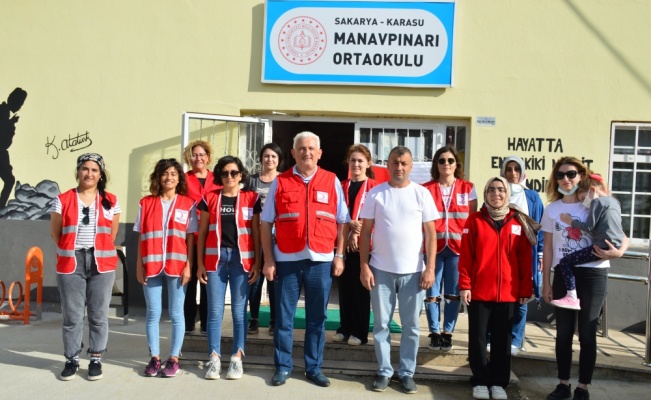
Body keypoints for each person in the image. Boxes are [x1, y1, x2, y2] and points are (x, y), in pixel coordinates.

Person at [260, 131, 349, 388]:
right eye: (301, 148)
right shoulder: (281, 181)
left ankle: (313, 367)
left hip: (320, 260)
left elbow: (342, 221)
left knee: (316, 319)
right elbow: (266, 224)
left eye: (311, 148)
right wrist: (269, 259)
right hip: (287, 260)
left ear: (319, 153)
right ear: (293, 153)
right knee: (284, 318)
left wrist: (339, 255)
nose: (306, 152)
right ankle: (283, 366)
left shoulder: (331, 181)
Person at [542, 157, 628, 400]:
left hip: (593, 272)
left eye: (571, 174)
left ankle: (583, 388)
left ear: (581, 176)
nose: (566, 179)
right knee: (563, 333)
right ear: (555, 179)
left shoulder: (592, 203)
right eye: (560, 175)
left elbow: (621, 233)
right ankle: (563, 384)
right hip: (563, 274)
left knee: (588, 332)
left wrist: (619, 252)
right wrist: (546, 281)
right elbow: (548, 248)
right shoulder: (552, 209)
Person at [359, 145, 439, 394]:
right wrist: (364, 265)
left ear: (411, 166)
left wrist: (430, 268)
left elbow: (431, 234)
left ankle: (406, 372)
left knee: (411, 326)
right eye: (395, 162)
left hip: (414, 272)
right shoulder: (376, 193)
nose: (399, 167)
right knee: (381, 324)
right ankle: (384, 371)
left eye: (404, 163)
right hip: (380, 270)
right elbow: (365, 232)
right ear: (388, 164)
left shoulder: (422, 194)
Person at [459, 176, 536, 400]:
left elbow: (524, 259)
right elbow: (466, 257)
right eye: (491, 190)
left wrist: (525, 289)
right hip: (480, 292)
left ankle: (499, 382)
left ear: (507, 194)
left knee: (503, 341)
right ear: (486, 194)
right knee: (478, 338)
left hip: (509, 294)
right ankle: (481, 379)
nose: (496, 194)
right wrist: (465, 285)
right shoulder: (474, 220)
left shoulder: (518, 221)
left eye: (501, 190)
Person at [50, 153, 121, 381]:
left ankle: (96, 359)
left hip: (102, 263)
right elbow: (56, 233)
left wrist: (97, 249)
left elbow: (112, 234)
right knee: (72, 316)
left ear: (100, 175)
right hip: (72, 262)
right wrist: (74, 249)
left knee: (99, 315)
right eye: (85, 169)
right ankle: (72, 359)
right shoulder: (62, 199)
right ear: (78, 171)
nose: (89, 173)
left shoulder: (111, 200)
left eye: (94, 170)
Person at [197, 156, 261, 380]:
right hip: (215, 261)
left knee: (237, 312)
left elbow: (256, 233)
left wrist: (258, 262)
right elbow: (202, 234)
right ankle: (214, 358)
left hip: (241, 260)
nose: (229, 177)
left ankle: (237, 357)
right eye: (224, 173)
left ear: (241, 175)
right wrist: (199, 265)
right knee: (214, 312)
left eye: (234, 172)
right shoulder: (209, 198)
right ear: (219, 176)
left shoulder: (252, 199)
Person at [135, 158, 197, 378]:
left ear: (179, 178)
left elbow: (190, 238)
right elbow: (142, 237)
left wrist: (189, 265)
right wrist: (138, 266)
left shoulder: (187, 204)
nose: (169, 177)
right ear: (158, 177)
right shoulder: (146, 203)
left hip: (177, 265)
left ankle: (173, 359)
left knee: (176, 313)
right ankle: (154, 358)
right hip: (150, 264)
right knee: (152, 314)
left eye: (173, 173)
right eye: (165, 173)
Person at [422, 145, 477, 351]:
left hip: (458, 249)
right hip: (433, 247)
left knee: (454, 294)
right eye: (442, 160)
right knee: (432, 293)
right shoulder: (426, 188)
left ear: (457, 164)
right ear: (436, 164)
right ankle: (434, 332)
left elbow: (472, 221)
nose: (446, 164)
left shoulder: (468, 187)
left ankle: (448, 332)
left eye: (450, 160)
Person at [554, 173, 624, 310]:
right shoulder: (614, 202)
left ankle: (571, 296)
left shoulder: (597, 202)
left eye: (583, 198)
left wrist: (570, 221)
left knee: (565, 262)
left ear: (592, 190)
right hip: (614, 245)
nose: (583, 203)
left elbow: (588, 227)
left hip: (601, 247)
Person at [498, 156, 544, 355]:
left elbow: (539, 226)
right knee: (499, 297)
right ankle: (497, 337)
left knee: (522, 297)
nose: (513, 173)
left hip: (526, 253)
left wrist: (541, 254)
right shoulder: (498, 192)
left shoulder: (532, 196)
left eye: (517, 169)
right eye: (509, 169)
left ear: (523, 172)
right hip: (501, 254)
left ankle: (516, 341)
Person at [333, 144, 378, 346]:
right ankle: (345, 328)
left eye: (360, 160)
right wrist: (349, 227)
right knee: (344, 287)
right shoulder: (340, 186)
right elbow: (334, 213)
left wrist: (357, 231)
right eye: (353, 160)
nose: (356, 164)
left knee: (361, 288)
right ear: (348, 163)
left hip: (365, 245)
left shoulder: (375, 188)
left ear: (368, 163)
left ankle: (360, 332)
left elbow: (378, 216)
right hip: (343, 244)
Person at [183, 140, 220, 335]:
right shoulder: (183, 179)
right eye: (194, 154)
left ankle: (207, 323)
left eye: (201, 154)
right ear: (189, 158)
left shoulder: (218, 178)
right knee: (189, 282)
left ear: (208, 157)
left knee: (209, 282)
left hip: (212, 237)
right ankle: (188, 322)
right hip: (189, 238)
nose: (198, 158)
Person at [247, 143, 284, 335]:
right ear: (261, 158)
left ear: (279, 160)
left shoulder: (284, 180)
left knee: (274, 278)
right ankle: (253, 318)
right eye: (266, 156)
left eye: (273, 157)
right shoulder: (251, 181)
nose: (269, 159)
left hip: (277, 238)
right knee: (255, 277)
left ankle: (274, 319)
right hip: (254, 237)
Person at [0, 87, 27, 208]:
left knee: (9, 180)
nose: (20, 107)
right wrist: (11, 125)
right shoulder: (3, 112)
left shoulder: (4, 111)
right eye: (20, 103)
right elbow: (4, 141)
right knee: (10, 180)